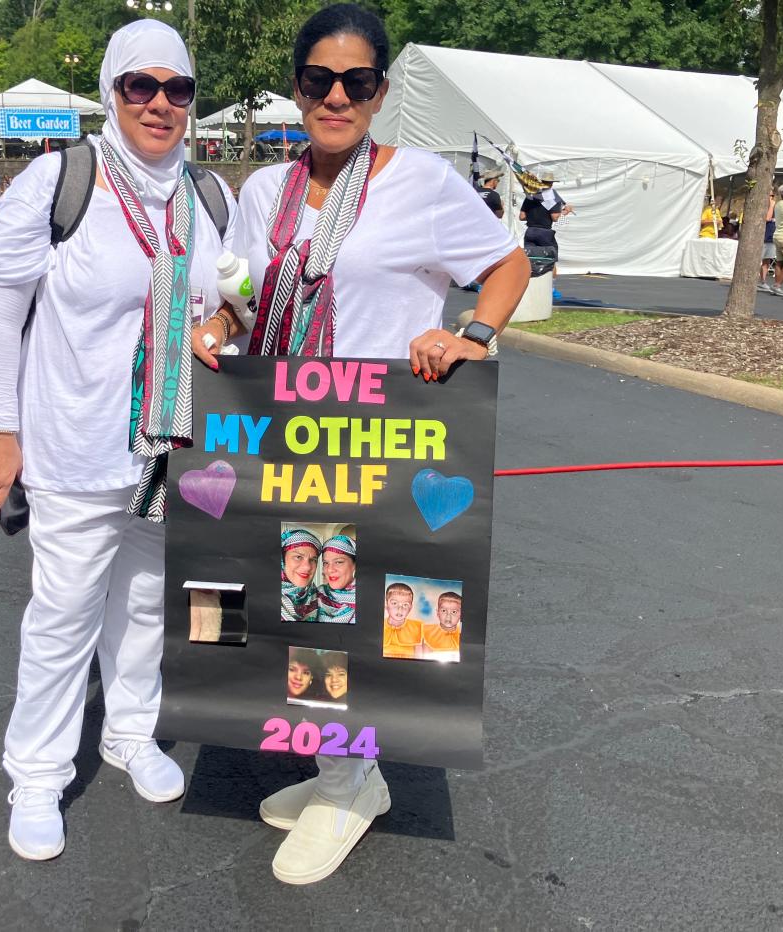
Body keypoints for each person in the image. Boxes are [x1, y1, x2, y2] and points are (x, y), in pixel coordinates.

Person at [194, 3, 527, 886]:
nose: (336, 95)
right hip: (276, 426)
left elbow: (507, 264)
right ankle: (349, 772)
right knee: (287, 598)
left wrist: (474, 335)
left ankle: (347, 784)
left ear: (379, 91)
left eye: (358, 81)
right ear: (297, 86)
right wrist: (215, 323)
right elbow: (239, 291)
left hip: (375, 436)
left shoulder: (417, 182)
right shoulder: (264, 191)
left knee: (341, 606)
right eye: (318, 80)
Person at [0, 20, 234, 863]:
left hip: (173, 449)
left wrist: (220, 320)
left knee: (150, 602)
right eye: (138, 87)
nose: (159, 104)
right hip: (76, 445)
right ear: (114, 92)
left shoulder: (208, 196)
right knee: (66, 612)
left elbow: (227, 300)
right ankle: (37, 771)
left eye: (177, 89)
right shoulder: (61, 181)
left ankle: (129, 731)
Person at [281, 527, 321, 622]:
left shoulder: (323, 600)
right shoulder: (263, 596)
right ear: (282, 560)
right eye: (298, 557)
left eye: (313, 560)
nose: (307, 567)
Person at [315, 533, 356, 624]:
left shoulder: (369, 598)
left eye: (338, 562)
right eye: (326, 563)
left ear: (354, 565)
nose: (330, 569)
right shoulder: (316, 594)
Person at [381, 581, 422, 659]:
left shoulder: (417, 627)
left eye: (405, 605)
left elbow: (419, 657)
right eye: (394, 603)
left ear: (410, 608)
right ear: (386, 604)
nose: (400, 609)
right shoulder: (379, 625)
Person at [422, 591, 462, 656]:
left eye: (454, 612)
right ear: (437, 613)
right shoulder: (424, 631)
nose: (448, 616)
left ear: (461, 615)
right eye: (444, 611)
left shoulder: (462, 636)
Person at [758, 192, 777, 292]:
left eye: (772, 196)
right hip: (761, 238)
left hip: (771, 238)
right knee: (758, 260)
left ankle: (763, 281)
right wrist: (771, 205)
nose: (771, 198)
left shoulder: (776, 209)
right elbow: (767, 218)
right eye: (769, 195)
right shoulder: (761, 207)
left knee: (766, 260)